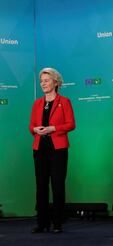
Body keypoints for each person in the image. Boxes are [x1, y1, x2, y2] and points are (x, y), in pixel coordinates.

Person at [29, 68, 75, 233]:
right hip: (39, 148)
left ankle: (57, 223)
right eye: (41, 81)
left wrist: (52, 128)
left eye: (46, 80)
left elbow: (71, 124)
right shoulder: (37, 103)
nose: (43, 84)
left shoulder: (65, 101)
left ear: (56, 82)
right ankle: (42, 223)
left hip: (58, 149)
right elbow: (31, 127)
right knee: (41, 186)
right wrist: (37, 130)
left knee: (57, 185)